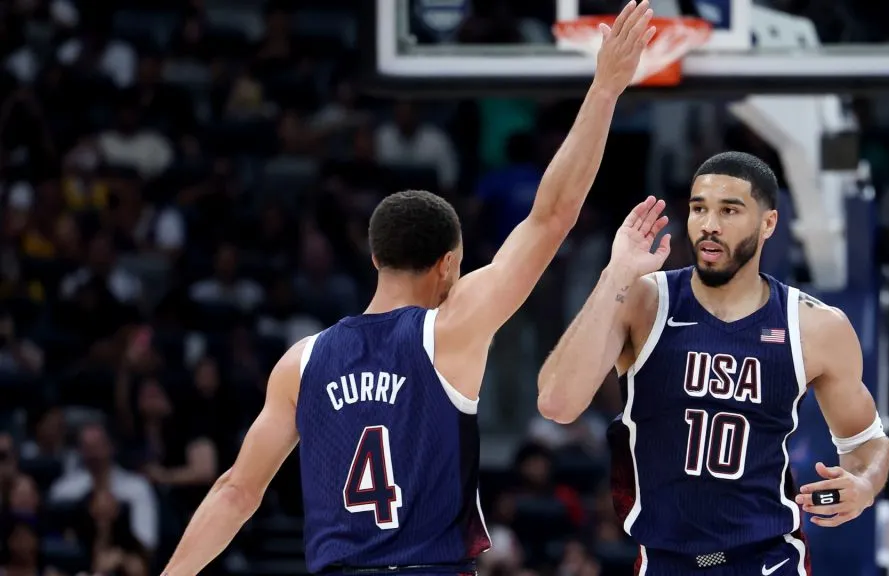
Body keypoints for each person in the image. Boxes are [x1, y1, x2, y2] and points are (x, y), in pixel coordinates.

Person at [157, 2, 658, 575]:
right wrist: (605, 88)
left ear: (376, 257)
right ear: (448, 265)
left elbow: (234, 494)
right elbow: (553, 215)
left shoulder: (301, 363)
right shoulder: (451, 326)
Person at [537, 152, 889, 575]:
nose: (709, 223)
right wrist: (616, 274)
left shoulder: (814, 326)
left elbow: (867, 442)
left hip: (767, 560)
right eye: (699, 208)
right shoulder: (644, 301)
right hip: (664, 561)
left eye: (729, 210)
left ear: (768, 224)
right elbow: (557, 403)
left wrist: (865, 484)